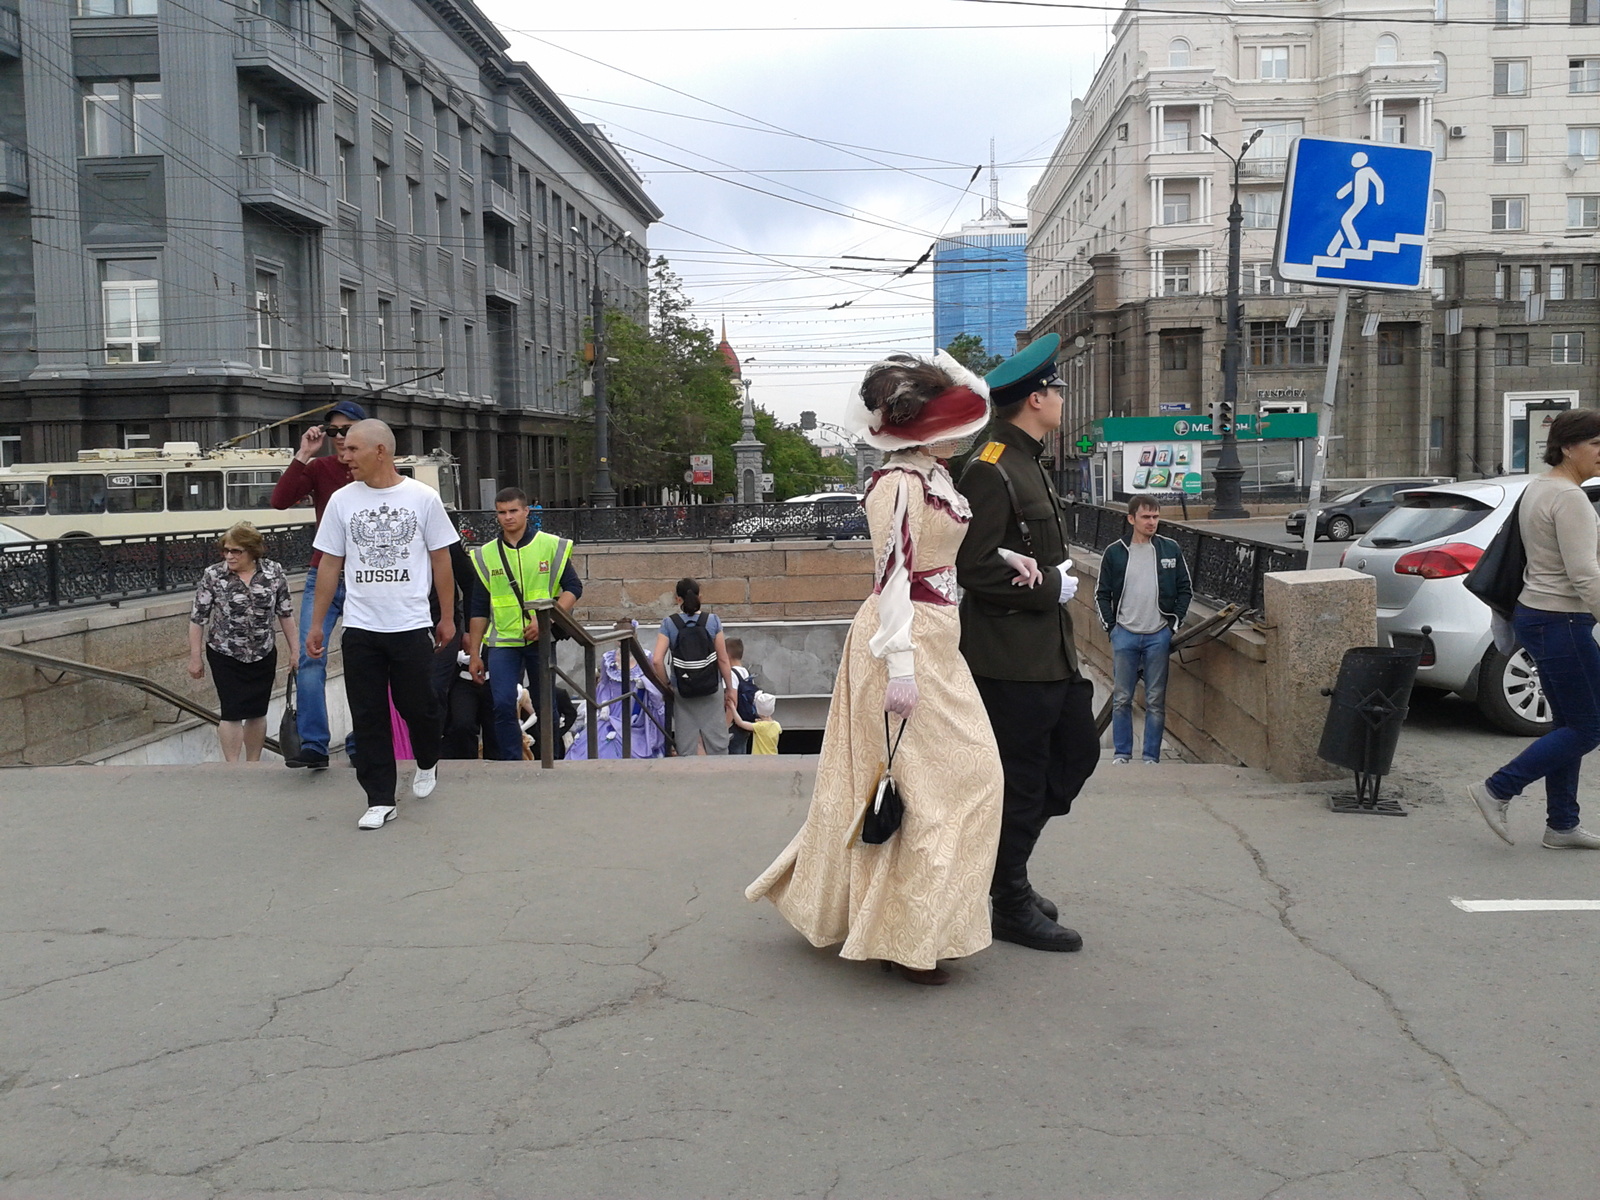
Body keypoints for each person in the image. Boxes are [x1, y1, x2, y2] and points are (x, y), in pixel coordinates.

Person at [749, 350, 1032, 986]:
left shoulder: (930, 476)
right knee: (935, 786)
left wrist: (1007, 556)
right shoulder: (898, 484)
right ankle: (907, 935)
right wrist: (900, 665)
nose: (961, 433)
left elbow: (932, 556)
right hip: (902, 644)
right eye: (948, 424)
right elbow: (892, 577)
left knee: (960, 781)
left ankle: (921, 925)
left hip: (933, 640)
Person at [956, 332, 1100, 954]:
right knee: (1022, 779)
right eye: (1058, 389)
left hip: (1050, 653)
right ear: (1037, 398)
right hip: (1010, 658)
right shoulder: (988, 466)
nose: (1062, 398)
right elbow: (974, 567)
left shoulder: (1027, 458)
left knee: (1075, 756)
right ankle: (1008, 896)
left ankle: (1002, 873)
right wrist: (1049, 592)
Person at [305, 419, 458, 830]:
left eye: (353, 449)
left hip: (409, 625)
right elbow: (330, 564)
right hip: (360, 627)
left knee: (419, 706)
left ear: (379, 451)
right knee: (368, 713)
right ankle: (379, 797)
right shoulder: (341, 501)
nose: (344, 456)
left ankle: (427, 760)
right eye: (343, 449)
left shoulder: (423, 498)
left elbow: (442, 560)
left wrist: (446, 617)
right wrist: (317, 623)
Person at [1470, 408, 1600, 849]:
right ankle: (1497, 789)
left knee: (1568, 724)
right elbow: (1584, 574)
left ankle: (1561, 825)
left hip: (1536, 616)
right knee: (1588, 727)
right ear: (1567, 447)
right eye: (1596, 444)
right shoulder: (1570, 498)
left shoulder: (1538, 487)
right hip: (1561, 619)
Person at [270, 399, 366, 770]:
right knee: (310, 659)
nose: (339, 438)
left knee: (365, 662)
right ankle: (314, 744)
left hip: (365, 577)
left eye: (346, 430)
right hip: (323, 573)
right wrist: (303, 456)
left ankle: (362, 740)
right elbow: (280, 501)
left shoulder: (373, 468)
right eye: (332, 432)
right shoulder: (321, 467)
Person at [465, 487, 582, 761]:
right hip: (503, 641)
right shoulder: (485, 555)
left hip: (540, 639)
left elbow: (573, 587)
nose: (507, 518)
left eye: (513, 511)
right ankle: (512, 763)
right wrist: (474, 654)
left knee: (545, 704)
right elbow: (479, 607)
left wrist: (547, 622)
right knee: (503, 704)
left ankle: (549, 760)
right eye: (502, 513)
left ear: (526, 511)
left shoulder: (551, 546)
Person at [1095, 495, 1193, 765]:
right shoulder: (1115, 552)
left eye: (1156, 517)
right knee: (1122, 697)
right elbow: (1102, 593)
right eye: (1146, 517)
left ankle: (1151, 755)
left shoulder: (1169, 549)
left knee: (1155, 698)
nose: (1152, 522)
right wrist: (1111, 628)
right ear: (1131, 519)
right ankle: (1122, 753)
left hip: (1158, 634)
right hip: (1125, 633)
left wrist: (1173, 624)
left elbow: (1186, 589)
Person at [187, 522, 296, 763]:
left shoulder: (273, 572)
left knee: (258, 711)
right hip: (225, 652)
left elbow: (286, 614)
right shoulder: (214, 575)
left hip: (263, 651)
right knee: (231, 710)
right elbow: (198, 618)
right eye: (226, 550)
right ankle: (233, 765)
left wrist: (295, 652)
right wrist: (195, 657)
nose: (229, 556)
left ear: (252, 551)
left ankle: (253, 763)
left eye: (236, 551)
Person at [652, 578, 736, 755]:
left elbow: (657, 660)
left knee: (687, 743)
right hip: (711, 688)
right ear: (700, 596)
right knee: (717, 742)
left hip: (683, 689)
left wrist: (667, 684)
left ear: (677, 599)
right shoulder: (712, 621)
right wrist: (730, 688)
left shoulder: (669, 623)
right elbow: (722, 659)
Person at [726, 637, 755, 754]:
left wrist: (725, 726)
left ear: (727, 655)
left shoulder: (732, 674)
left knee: (732, 758)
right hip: (745, 721)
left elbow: (732, 701)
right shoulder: (746, 672)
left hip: (734, 724)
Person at [732, 690, 782, 755]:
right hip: (773, 756)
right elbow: (767, 729)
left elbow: (740, 723)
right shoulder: (777, 725)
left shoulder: (759, 726)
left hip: (759, 758)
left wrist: (732, 707)